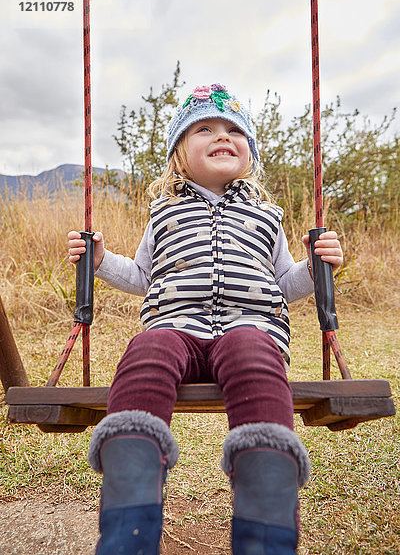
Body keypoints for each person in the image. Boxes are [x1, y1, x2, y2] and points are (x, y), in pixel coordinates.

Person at [68, 83, 343, 555]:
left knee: (254, 353)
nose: (223, 136)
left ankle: (267, 527)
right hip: (175, 328)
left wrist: (318, 268)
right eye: (205, 128)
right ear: (180, 151)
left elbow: (282, 284)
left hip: (250, 328)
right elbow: (140, 275)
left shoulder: (265, 217)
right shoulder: (163, 214)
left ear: (249, 152)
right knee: (145, 349)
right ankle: (128, 522)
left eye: (235, 130)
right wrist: (99, 261)